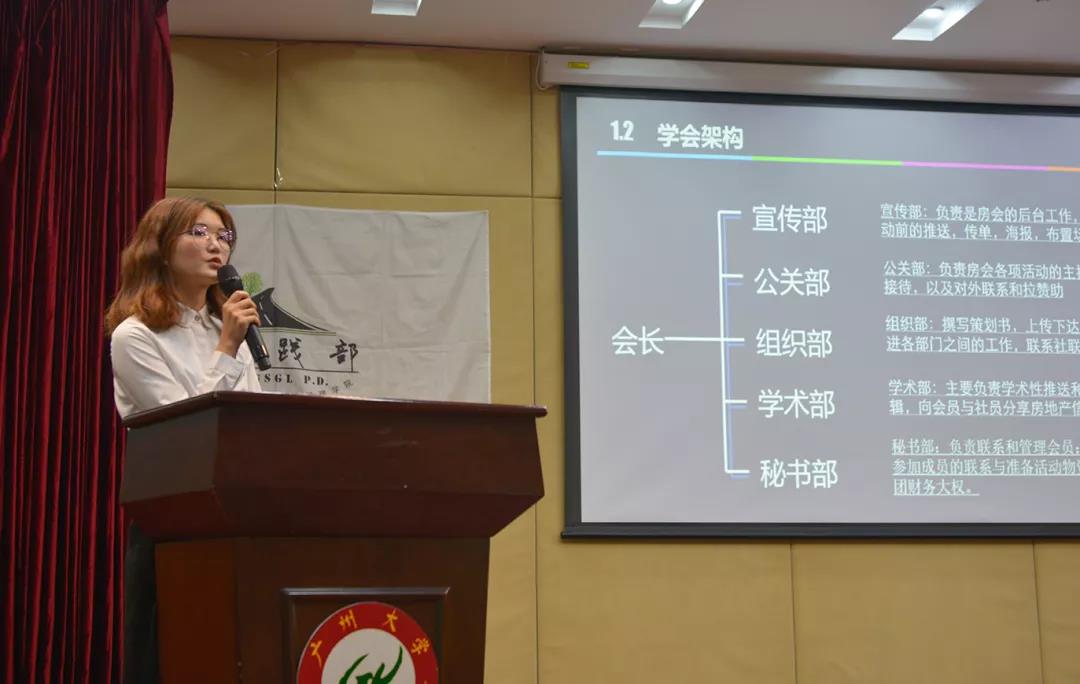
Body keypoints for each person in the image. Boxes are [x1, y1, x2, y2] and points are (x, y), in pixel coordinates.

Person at [104, 196, 263, 683]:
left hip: (239, 519)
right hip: (173, 525)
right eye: (200, 232)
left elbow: (253, 423)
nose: (217, 246)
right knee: (172, 661)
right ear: (160, 246)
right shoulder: (135, 336)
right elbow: (184, 430)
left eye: (224, 236)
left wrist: (228, 342)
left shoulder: (226, 329)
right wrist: (226, 348)